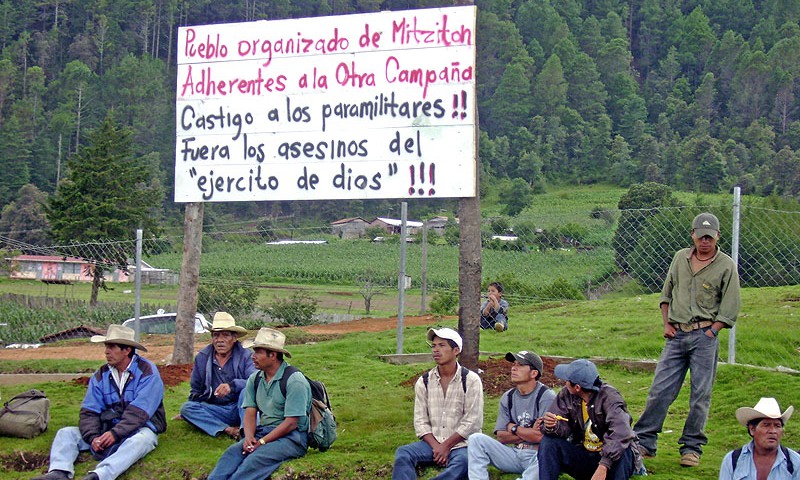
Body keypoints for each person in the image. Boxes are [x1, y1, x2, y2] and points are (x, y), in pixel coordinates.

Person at [634, 212, 741, 467]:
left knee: (700, 394)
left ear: (717, 237)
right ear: (692, 235)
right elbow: (666, 292)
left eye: (709, 237)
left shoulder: (726, 265)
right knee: (660, 390)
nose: (704, 241)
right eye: (700, 236)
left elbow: (730, 305)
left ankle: (692, 448)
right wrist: (666, 323)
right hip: (676, 335)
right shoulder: (680, 258)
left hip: (704, 336)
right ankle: (644, 442)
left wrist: (712, 331)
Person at [31, 325, 166, 480]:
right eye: (106, 346)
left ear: (127, 350)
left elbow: (139, 413)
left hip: (139, 428)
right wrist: (93, 437)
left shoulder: (148, 372)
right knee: (66, 433)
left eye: (112, 347)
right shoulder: (100, 375)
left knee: (143, 440)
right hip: (107, 428)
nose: (106, 351)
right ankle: (59, 471)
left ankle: (99, 475)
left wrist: (115, 434)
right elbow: (90, 410)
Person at [208, 327, 311, 480]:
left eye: (258, 352)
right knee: (231, 454)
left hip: (292, 438)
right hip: (264, 432)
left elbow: (291, 423)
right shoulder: (255, 379)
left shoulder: (295, 381)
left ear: (273, 355)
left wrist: (262, 442)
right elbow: (250, 411)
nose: (253, 356)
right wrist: (249, 437)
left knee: (254, 461)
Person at [393, 327, 484, 480]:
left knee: (464, 462)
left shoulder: (470, 380)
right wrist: (437, 447)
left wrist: (447, 446)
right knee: (403, 453)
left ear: (456, 350)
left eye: (442, 346)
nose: (436, 350)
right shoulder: (425, 381)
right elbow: (420, 421)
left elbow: (473, 422)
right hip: (432, 444)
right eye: (434, 346)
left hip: (462, 444)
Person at [538, 359, 641, 480]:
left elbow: (622, 433)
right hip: (586, 455)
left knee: (624, 448)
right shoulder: (566, 395)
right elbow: (562, 426)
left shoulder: (610, 397)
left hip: (611, 461)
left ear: (577, 387)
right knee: (549, 442)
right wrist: (552, 426)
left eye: (566, 380)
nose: (564, 382)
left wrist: (604, 465)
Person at [468, 350, 556, 480]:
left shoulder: (546, 396)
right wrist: (529, 433)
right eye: (513, 364)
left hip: (536, 456)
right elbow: (501, 437)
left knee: (547, 458)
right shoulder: (508, 396)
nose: (514, 368)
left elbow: (540, 437)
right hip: (514, 454)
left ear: (534, 373)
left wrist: (513, 428)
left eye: (520, 365)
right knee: (476, 439)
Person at [176, 311, 255, 439]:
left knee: (247, 391)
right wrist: (189, 412)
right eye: (216, 336)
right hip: (216, 409)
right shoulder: (202, 357)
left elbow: (255, 381)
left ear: (234, 338)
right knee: (187, 408)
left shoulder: (247, 356)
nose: (220, 340)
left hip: (240, 407)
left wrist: (232, 386)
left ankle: (246, 432)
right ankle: (228, 430)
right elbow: (196, 389)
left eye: (225, 335)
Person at [719, 397, 799, 480]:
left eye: (777, 426)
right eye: (766, 425)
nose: (773, 431)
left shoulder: (795, 462)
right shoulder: (732, 460)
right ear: (752, 429)